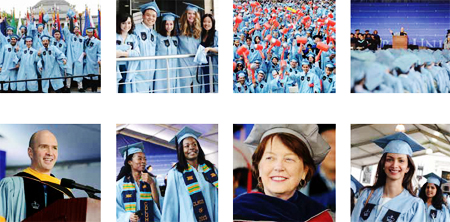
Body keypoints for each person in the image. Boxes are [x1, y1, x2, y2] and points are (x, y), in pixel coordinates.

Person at [233, 124, 333, 221]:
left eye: (289, 159)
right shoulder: (235, 211)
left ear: (304, 171)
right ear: (259, 167)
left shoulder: (319, 217)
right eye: (270, 158)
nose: (278, 167)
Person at [0, 130, 74, 222]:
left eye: (54, 148)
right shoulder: (10, 186)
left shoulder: (65, 191)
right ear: (30, 152)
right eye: (44, 147)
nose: (50, 153)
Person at [351, 132, 426, 222]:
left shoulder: (414, 205)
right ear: (383, 164)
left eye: (401, 161)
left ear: (408, 168)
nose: (394, 165)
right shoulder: (366, 195)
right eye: (389, 159)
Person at [162, 126, 218, 222]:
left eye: (194, 144)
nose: (192, 148)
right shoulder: (175, 173)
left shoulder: (210, 169)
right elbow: (171, 205)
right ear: (181, 150)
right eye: (187, 146)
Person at [116, 142, 162, 222]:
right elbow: (116, 208)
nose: (143, 161)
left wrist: (151, 184)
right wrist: (128, 217)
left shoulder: (152, 180)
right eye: (140, 158)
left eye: (145, 159)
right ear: (130, 162)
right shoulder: (120, 185)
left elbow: (158, 205)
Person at [134, 2, 160, 93]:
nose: (151, 18)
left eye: (153, 16)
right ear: (143, 16)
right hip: (138, 71)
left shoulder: (155, 34)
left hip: (151, 71)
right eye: (148, 15)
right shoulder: (135, 30)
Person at [178, 3, 202, 93]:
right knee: (184, 85)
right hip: (183, 62)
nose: (191, 16)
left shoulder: (200, 29)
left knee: (197, 85)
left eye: (193, 13)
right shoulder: (179, 28)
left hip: (196, 62)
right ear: (186, 15)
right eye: (189, 13)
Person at [155, 12, 180, 93]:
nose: (169, 26)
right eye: (167, 24)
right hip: (162, 68)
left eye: (171, 24)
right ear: (163, 25)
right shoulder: (158, 37)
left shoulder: (175, 39)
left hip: (173, 68)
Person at [116, 13, 140, 93]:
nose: (126, 25)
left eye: (129, 23)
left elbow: (137, 53)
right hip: (116, 68)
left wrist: (121, 53)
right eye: (123, 23)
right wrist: (129, 50)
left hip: (128, 68)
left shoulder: (133, 38)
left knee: (126, 90)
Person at [62, 21, 85, 92]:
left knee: (79, 72)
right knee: (69, 73)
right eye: (75, 29)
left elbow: (85, 48)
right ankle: (68, 87)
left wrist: (83, 55)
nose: (76, 30)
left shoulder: (83, 39)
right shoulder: (70, 37)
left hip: (79, 58)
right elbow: (65, 31)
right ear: (73, 30)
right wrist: (66, 22)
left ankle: (80, 87)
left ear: (79, 30)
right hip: (70, 57)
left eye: (77, 29)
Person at [200, 14, 218, 93]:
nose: (206, 24)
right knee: (205, 83)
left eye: (209, 22)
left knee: (213, 84)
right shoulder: (201, 34)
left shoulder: (216, 34)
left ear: (212, 23)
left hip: (212, 62)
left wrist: (210, 49)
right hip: (203, 63)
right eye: (204, 22)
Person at [83, 27, 101, 92]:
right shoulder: (85, 40)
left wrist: (99, 59)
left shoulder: (98, 42)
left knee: (94, 77)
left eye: (91, 32)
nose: (89, 34)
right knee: (86, 76)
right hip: (87, 61)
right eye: (88, 32)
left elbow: (100, 52)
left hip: (94, 61)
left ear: (93, 33)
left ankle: (94, 90)